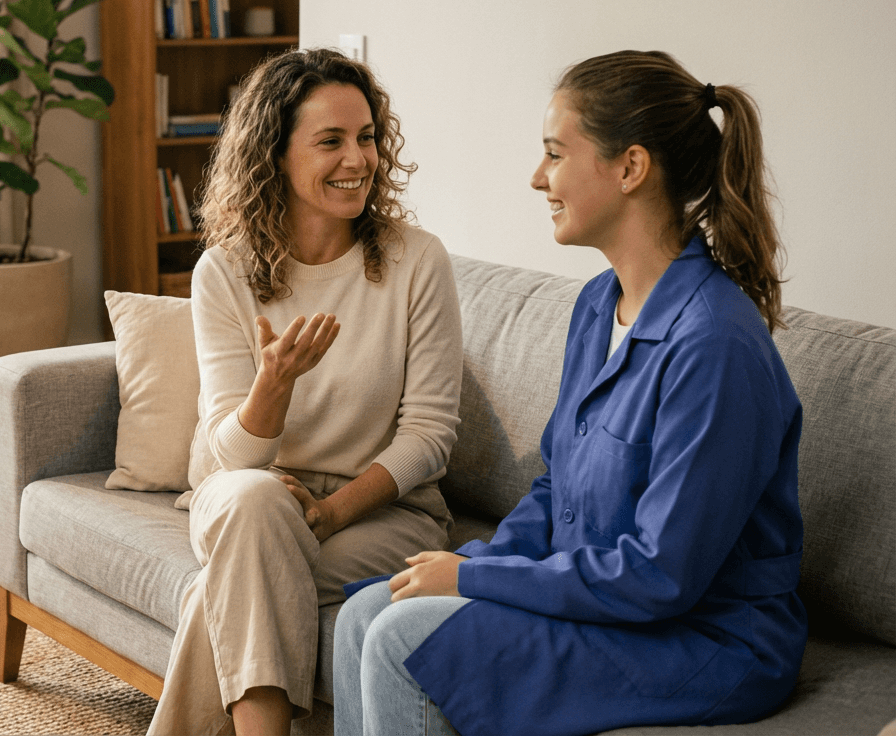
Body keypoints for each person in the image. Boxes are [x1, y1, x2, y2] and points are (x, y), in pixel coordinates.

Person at [334, 50, 806, 736]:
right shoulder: (596, 306)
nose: (538, 177)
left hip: (705, 638)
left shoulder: (714, 345)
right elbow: (557, 491)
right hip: (608, 605)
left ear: (630, 168)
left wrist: (474, 581)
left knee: (402, 637)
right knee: (364, 614)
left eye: (555, 154)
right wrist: (472, 562)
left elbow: (662, 576)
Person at [147, 48, 465, 736]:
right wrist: (273, 388)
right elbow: (233, 458)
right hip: (252, 495)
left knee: (233, 582)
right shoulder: (223, 272)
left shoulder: (417, 261)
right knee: (254, 503)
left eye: (367, 137)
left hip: (384, 515)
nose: (358, 159)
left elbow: (431, 436)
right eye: (331, 141)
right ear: (275, 155)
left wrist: (331, 511)